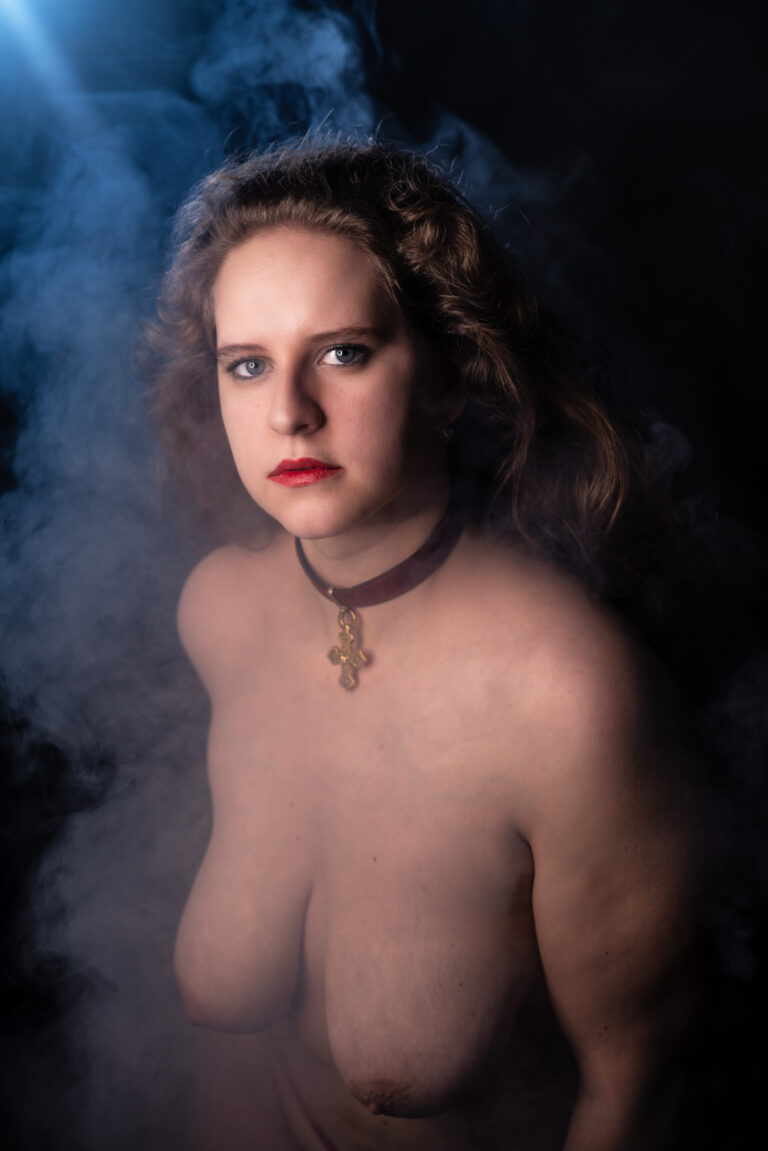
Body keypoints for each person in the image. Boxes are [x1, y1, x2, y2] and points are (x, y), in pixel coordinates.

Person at [147, 139, 697, 1151]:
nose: (288, 412)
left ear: (449, 377)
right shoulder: (219, 610)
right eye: (248, 364)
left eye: (343, 352)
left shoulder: (565, 690)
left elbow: (634, 1094)